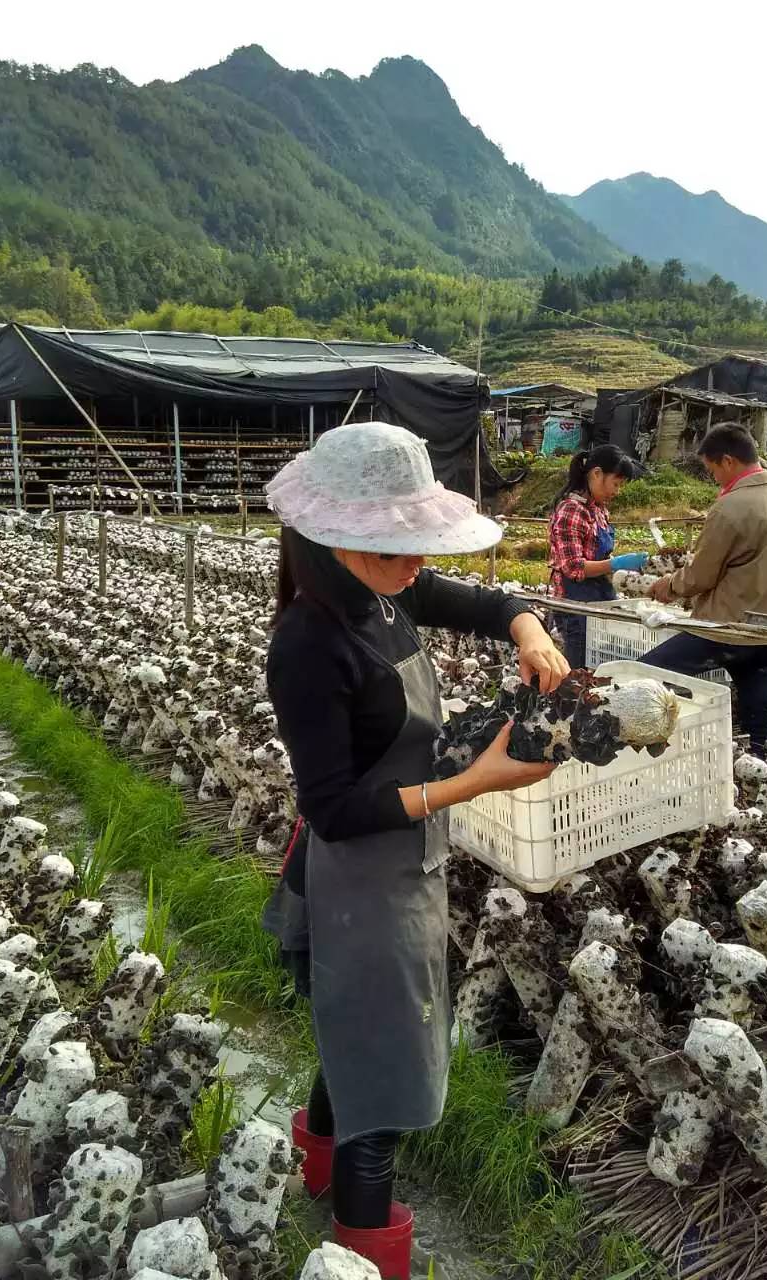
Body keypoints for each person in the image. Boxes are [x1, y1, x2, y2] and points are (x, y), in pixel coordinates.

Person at [261, 422, 570, 1279]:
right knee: (387, 1079)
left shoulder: (381, 588)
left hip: (406, 866)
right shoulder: (309, 645)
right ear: (341, 538)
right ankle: (365, 1247)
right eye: (398, 550)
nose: (415, 567)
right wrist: (479, 779)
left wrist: (527, 623)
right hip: (357, 880)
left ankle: (316, 1165)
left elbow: (466, 601)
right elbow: (333, 809)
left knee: (355, 1043)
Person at [644, 422, 767, 756]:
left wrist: (669, 586)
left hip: (729, 630)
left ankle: (651, 745)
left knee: (647, 674)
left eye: (712, 470)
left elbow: (702, 575)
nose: (714, 478)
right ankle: (762, 776)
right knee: (759, 713)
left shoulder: (731, 506)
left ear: (728, 461)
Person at [548, 444, 646, 669]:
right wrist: (616, 563)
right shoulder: (571, 511)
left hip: (601, 598)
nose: (617, 491)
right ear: (596, 474)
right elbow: (574, 568)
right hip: (577, 606)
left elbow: (599, 555)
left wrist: (622, 568)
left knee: (604, 667)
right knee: (579, 672)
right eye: (616, 484)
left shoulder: (599, 510)